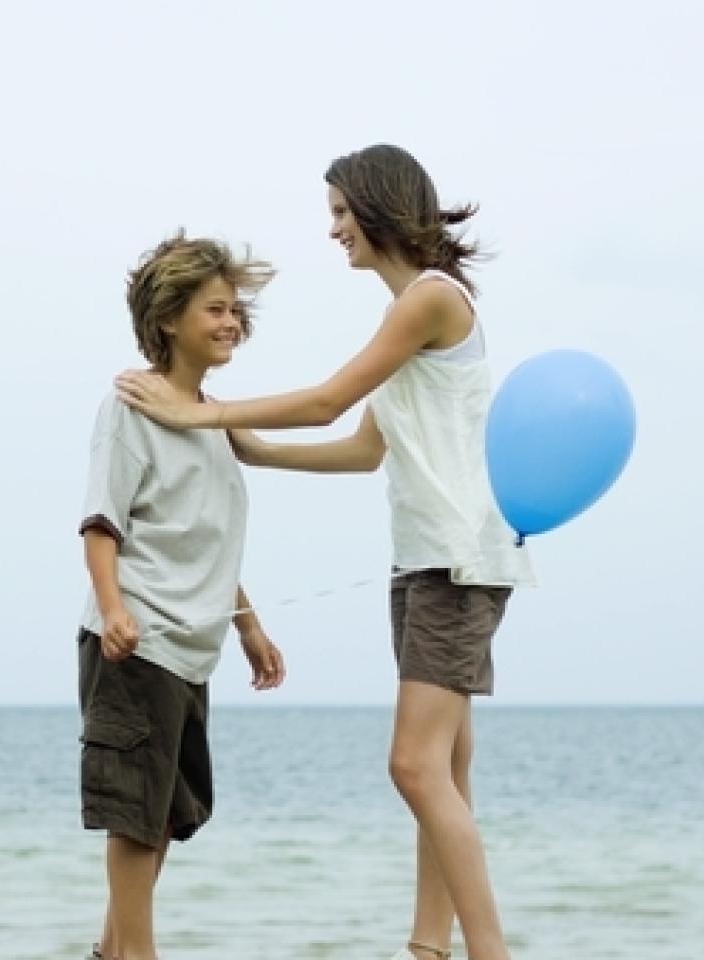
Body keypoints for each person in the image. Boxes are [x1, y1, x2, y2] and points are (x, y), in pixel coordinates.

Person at [113, 146, 534, 960]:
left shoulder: (428, 302)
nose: (333, 228)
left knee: (414, 768)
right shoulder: (409, 316)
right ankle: (429, 947)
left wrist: (200, 413)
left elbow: (329, 398)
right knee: (444, 769)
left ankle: (487, 953)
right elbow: (366, 447)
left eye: (341, 211)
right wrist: (255, 449)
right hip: (426, 562)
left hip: (457, 562)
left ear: (378, 207)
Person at [77, 232, 287, 960]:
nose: (232, 322)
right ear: (170, 317)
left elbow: (205, 536)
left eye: (236, 310)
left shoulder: (212, 418)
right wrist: (112, 608)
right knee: (134, 819)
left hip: (191, 651)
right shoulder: (132, 404)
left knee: (166, 817)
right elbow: (102, 523)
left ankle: (112, 953)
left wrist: (249, 627)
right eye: (216, 308)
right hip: (136, 641)